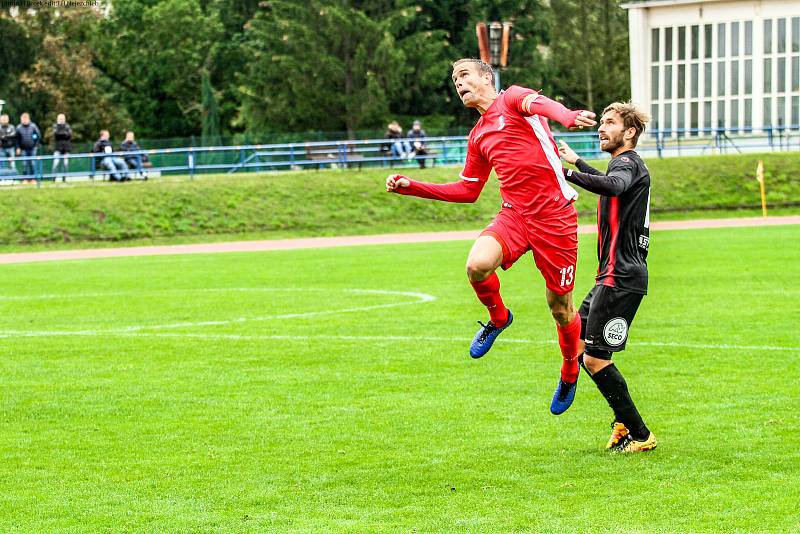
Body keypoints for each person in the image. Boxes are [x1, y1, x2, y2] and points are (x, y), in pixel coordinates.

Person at [386, 58, 596, 413]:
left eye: (464, 75)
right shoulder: (478, 135)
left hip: (555, 218)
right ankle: (499, 318)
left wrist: (568, 116)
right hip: (514, 216)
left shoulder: (513, 98)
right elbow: (468, 191)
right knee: (477, 265)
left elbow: (540, 103)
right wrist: (414, 187)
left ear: (487, 77)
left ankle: (569, 369)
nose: (458, 83)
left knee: (560, 308)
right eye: (454, 80)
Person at [557, 102, 656, 453]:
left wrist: (566, 174)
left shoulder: (626, 162)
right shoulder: (624, 165)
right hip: (611, 276)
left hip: (621, 277)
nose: (601, 127)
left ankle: (640, 434)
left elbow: (613, 185)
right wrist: (577, 163)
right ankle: (623, 422)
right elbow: (613, 182)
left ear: (629, 132)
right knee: (579, 343)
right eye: (600, 121)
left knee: (595, 358)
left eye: (609, 122)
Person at [16, 112, 41, 179]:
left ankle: (33, 178)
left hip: (33, 148)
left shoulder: (33, 126)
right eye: (22, 119)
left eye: (24, 119)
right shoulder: (18, 127)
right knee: (24, 164)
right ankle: (25, 179)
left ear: (28, 119)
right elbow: (17, 139)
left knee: (33, 164)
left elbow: (38, 136)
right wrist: (18, 148)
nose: (23, 121)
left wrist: (36, 146)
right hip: (23, 149)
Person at [51, 113, 72, 182]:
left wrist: (61, 133)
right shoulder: (55, 126)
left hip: (66, 148)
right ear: (57, 119)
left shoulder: (67, 126)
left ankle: (64, 179)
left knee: (65, 164)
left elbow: (69, 135)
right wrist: (64, 133)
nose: (61, 120)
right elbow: (56, 134)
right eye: (60, 119)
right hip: (57, 148)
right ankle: (53, 178)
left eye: (63, 119)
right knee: (55, 163)